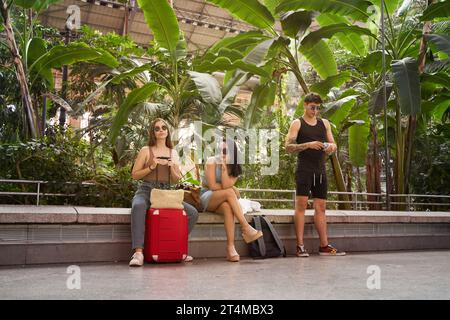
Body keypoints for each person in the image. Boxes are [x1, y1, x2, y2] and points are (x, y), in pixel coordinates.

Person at [129, 118, 199, 267]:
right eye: (157, 128)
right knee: (138, 206)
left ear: (168, 131)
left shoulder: (173, 153)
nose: (161, 130)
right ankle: (138, 252)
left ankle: (174, 247)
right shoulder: (145, 150)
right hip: (147, 189)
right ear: (153, 133)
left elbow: (175, 180)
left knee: (192, 213)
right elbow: (135, 175)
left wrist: (172, 167)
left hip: (167, 192)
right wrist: (151, 167)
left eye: (164, 128)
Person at [285, 92, 346, 257]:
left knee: (321, 207)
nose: (315, 111)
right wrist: (308, 145)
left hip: (320, 170)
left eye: (318, 108)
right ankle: (300, 246)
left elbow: (334, 144)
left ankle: (324, 246)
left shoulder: (324, 123)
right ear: (305, 105)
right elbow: (288, 147)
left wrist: (331, 147)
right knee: (302, 206)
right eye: (312, 107)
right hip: (304, 169)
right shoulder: (297, 123)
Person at [200, 138, 263, 262]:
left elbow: (226, 185)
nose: (221, 154)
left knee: (228, 207)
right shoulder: (211, 162)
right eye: (219, 150)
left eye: (224, 150)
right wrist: (231, 188)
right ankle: (246, 227)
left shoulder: (234, 168)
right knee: (229, 192)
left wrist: (224, 168)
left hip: (221, 199)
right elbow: (212, 186)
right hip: (206, 196)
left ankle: (230, 248)